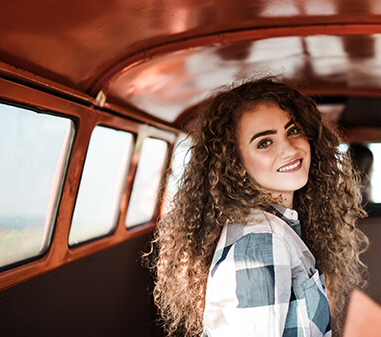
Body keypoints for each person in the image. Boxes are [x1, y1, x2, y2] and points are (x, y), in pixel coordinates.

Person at [149, 77, 369, 337]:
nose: (289, 149)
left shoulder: (277, 228)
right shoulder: (262, 241)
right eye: (264, 142)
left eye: (293, 130)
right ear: (236, 163)